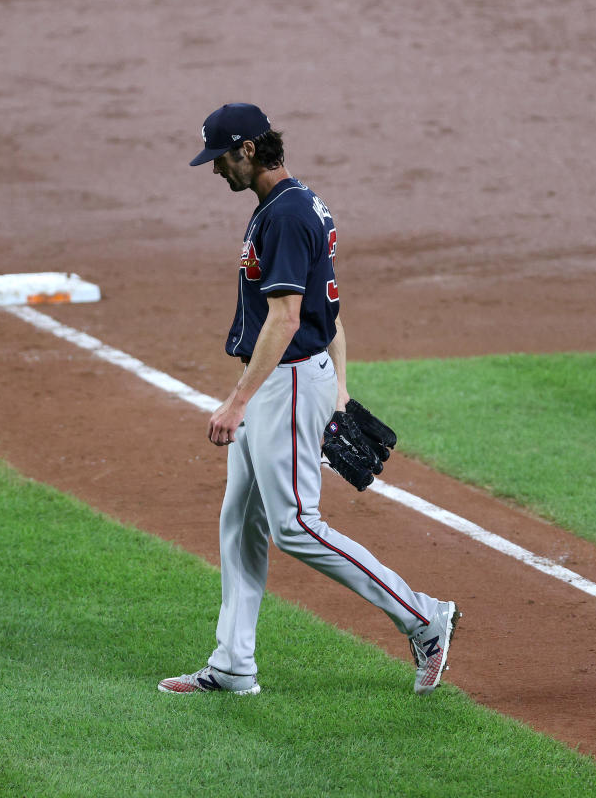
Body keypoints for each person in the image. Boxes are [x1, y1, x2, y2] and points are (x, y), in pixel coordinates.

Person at [157, 103, 459, 696]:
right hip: (289, 378)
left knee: (295, 525)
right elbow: (331, 309)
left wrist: (238, 402)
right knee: (240, 522)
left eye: (219, 157)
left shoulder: (288, 216)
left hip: (285, 382)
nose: (214, 170)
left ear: (247, 149)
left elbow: (290, 317)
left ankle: (424, 618)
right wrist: (340, 389)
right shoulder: (291, 205)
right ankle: (232, 665)